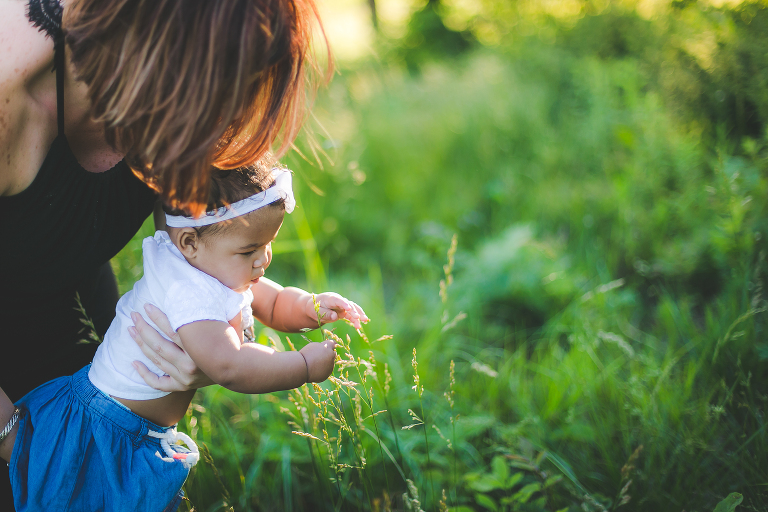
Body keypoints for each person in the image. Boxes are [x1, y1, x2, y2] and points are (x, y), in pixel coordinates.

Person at [0, 0, 329, 507]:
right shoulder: (9, 91)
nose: (223, 124)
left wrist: (158, 350)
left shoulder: (170, 101)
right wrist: (16, 439)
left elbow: (82, 237)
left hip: (59, 315)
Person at [8, 164, 367, 511]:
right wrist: (302, 366)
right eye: (249, 250)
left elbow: (272, 302)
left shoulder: (210, 261)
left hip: (131, 426)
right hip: (105, 431)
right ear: (190, 242)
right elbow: (228, 365)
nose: (263, 261)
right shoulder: (187, 290)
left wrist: (312, 306)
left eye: (269, 244)